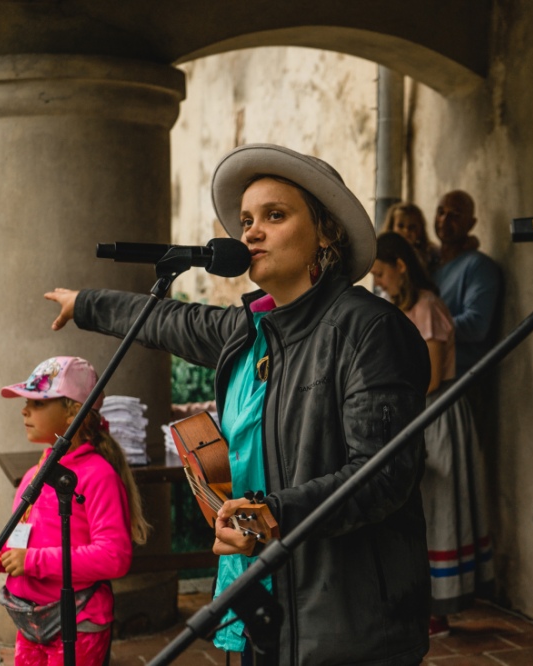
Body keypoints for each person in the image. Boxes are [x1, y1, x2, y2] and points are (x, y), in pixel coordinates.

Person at [44, 144, 431, 665]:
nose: (250, 233)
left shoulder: (369, 330)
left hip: (344, 622)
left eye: (275, 216)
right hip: (261, 602)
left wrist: (272, 515)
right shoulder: (253, 330)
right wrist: (85, 304)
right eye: (247, 220)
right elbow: (170, 321)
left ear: (327, 233)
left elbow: (383, 477)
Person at [0, 356, 149, 665]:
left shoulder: (98, 476)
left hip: (79, 619)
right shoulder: (36, 472)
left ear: (72, 413)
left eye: (38, 403)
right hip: (30, 618)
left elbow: (114, 556)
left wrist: (32, 561)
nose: (24, 410)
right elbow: (26, 535)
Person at [371, 232, 494, 637]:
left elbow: (433, 376)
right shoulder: (398, 308)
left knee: (436, 508)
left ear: (400, 266)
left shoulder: (427, 307)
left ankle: (435, 607)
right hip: (410, 414)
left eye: (381, 273)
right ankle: (412, 600)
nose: (378, 282)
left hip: (435, 413)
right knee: (411, 507)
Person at [432, 190, 501, 377]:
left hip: (457, 377)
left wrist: (425, 329)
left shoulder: (478, 267)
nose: (444, 220)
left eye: (455, 215)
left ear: (471, 224)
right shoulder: (429, 263)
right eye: (440, 212)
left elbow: (476, 326)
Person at [382, 201, 440, 272]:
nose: (406, 231)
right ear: (391, 227)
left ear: (420, 229)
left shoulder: (430, 255)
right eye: (400, 226)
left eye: (412, 227)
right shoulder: (384, 255)